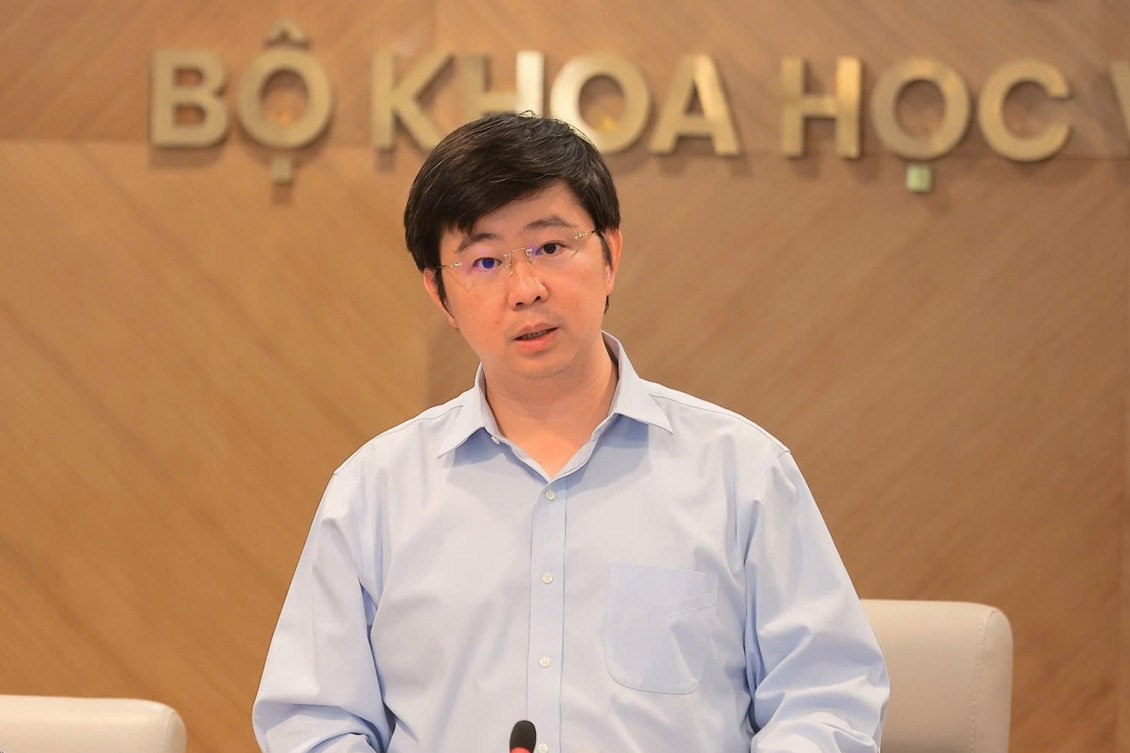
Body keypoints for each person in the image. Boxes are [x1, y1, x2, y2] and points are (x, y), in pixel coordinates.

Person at [252, 112, 889, 753]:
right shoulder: (375, 492)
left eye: (551, 248)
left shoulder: (741, 472)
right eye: (484, 261)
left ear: (610, 255)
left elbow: (826, 701)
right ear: (440, 294)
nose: (526, 289)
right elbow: (313, 723)